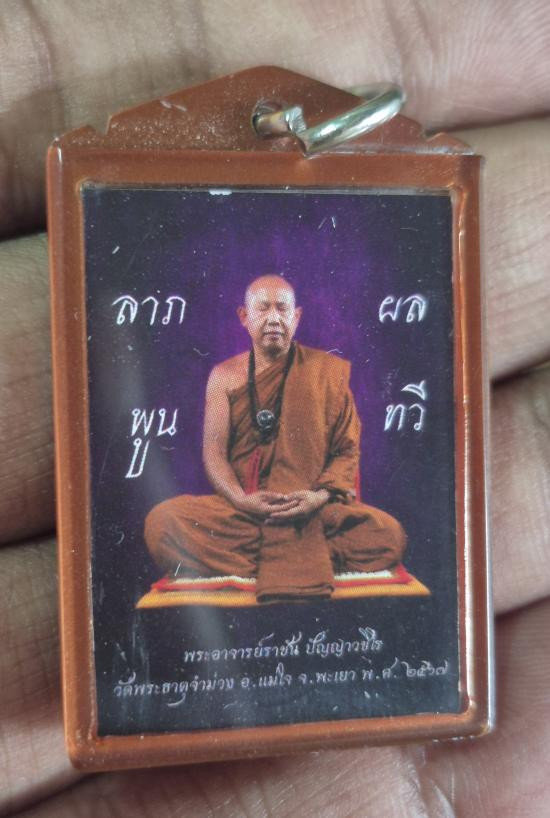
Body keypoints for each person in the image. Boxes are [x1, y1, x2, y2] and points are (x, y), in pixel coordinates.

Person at [144, 275, 406, 601]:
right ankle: (307, 558)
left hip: (311, 510)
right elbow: (214, 454)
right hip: (247, 511)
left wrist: (318, 498)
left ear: (296, 317)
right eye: (263, 308)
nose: (273, 318)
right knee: (162, 524)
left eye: (282, 309)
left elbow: (346, 451)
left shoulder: (326, 372)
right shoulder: (224, 377)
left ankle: (266, 558)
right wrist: (241, 499)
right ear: (244, 317)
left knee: (389, 535)